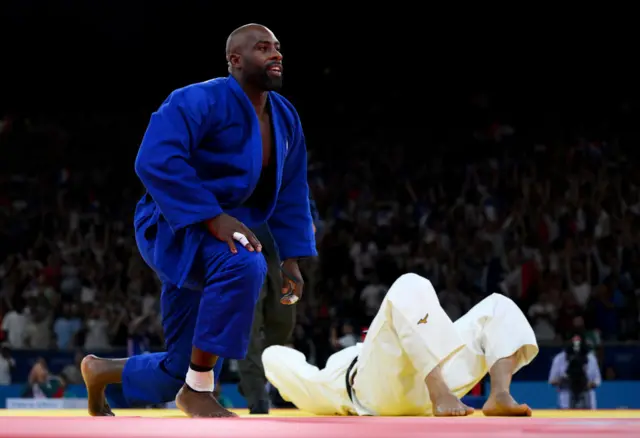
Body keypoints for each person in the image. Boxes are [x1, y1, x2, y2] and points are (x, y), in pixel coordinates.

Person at [81, 23, 316, 418]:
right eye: (263, 48)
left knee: (179, 367)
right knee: (244, 261)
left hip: (223, 232)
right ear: (235, 61)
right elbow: (153, 160)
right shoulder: (197, 100)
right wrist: (210, 217)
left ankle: (101, 372)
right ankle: (199, 391)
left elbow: (292, 189)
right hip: (175, 225)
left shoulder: (285, 117)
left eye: (277, 47)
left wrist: (291, 256)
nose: (276, 54)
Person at [263, 273, 538, 417]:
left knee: (498, 306)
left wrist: (277, 350)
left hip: (436, 382)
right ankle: (438, 391)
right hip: (377, 393)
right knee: (409, 284)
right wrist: (280, 353)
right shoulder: (326, 383)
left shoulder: (332, 375)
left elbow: (273, 357)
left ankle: (499, 394)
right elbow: (275, 359)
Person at [239, 196, 318, 414]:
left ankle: (254, 377)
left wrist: (310, 219)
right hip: (244, 247)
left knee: (284, 323)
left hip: (279, 250)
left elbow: (298, 191)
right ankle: (256, 395)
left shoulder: (284, 163)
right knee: (250, 325)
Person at [548, 335, 601, 409]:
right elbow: (552, 381)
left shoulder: (590, 358)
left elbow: (597, 380)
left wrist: (586, 384)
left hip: (587, 401)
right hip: (565, 401)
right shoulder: (559, 358)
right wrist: (564, 380)